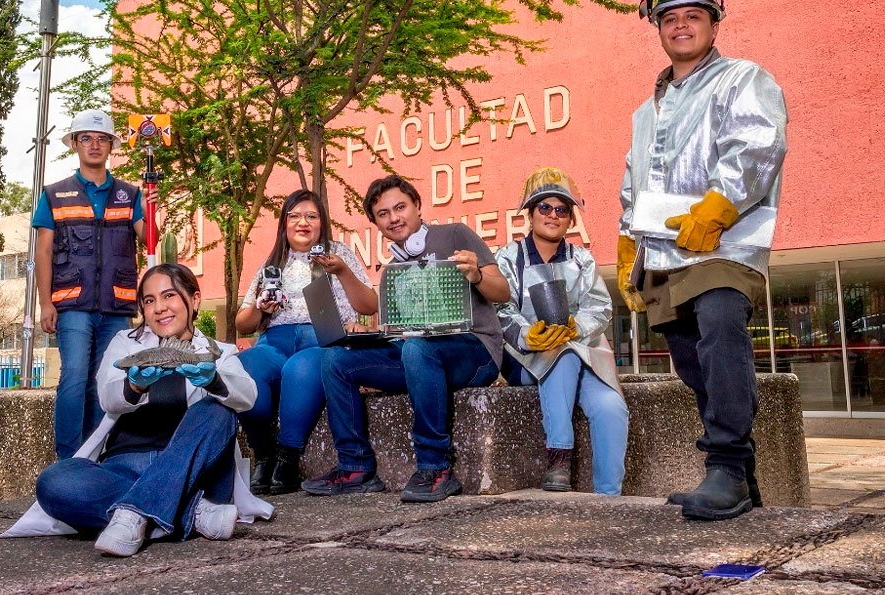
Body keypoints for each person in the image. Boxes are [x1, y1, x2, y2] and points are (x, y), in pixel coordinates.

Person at [617, 0, 787, 520]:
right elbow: (634, 181)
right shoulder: (644, 113)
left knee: (719, 326)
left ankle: (726, 466)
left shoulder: (742, 78)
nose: (681, 25)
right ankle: (742, 479)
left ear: (714, 24)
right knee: (693, 363)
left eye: (693, 15)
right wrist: (627, 241)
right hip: (663, 251)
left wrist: (720, 204)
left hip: (724, 243)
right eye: (669, 18)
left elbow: (757, 144)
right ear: (658, 29)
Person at [302, 175, 511, 503]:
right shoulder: (392, 270)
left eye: (400, 207)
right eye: (383, 214)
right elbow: (390, 323)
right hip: (417, 354)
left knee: (416, 348)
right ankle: (355, 468)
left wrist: (478, 275)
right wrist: (366, 332)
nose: (394, 218)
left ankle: (435, 467)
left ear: (417, 206)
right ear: (376, 223)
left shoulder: (455, 234)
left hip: (475, 351)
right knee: (336, 360)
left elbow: (502, 292)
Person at [32, 263, 263, 557]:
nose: (159, 308)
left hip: (195, 476)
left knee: (219, 410)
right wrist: (134, 386)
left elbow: (248, 396)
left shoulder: (219, 352)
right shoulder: (124, 344)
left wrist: (213, 380)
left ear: (194, 300)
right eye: (150, 300)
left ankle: (134, 514)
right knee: (55, 482)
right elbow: (107, 398)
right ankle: (191, 514)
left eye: (169, 296)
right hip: (125, 468)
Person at [33, 109, 158, 459]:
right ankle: (68, 459)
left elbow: (149, 240)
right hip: (72, 305)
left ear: (111, 146)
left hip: (116, 307)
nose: (94, 145)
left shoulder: (129, 195)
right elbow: (43, 252)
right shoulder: (55, 195)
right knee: (74, 377)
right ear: (75, 144)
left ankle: (96, 454)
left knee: (106, 381)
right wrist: (45, 303)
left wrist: (150, 209)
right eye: (86, 138)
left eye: (102, 139)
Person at [235, 189, 377, 495]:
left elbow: (369, 305)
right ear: (284, 223)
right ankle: (263, 453)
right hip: (274, 343)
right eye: (295, 216)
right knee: (245, 367)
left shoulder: (339, 253)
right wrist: (260, 307)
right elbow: (242, 323)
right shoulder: (273, 263)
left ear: (322, 222)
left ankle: (287, 456)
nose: (303, 222)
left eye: (312, 216)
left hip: (321, 339)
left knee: (299, 369)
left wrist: (342, 271)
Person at [496, 168, 629, 495]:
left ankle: (609, 498)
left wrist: (576, 327)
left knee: (612, 408)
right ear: (530, 213)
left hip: (581, 353)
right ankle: (558, 458)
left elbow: (600, 307)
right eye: (544, 207)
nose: (553, 215)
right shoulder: (507, 258)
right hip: (525, 358)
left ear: (570, 219)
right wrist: (528, 335)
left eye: (562, 209)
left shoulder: (582, 259)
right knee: (563, 355)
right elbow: (499, 309)